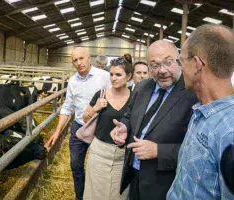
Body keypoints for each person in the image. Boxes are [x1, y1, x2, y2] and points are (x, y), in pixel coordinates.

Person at [110, 40, 198, 200]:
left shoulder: (193, 94)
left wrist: (159, 151)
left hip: (165, 184)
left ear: (179, 61)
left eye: (168, 62)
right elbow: (129, 116)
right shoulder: (142, 87)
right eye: (155, 65)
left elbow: (198, 150)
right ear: (149, 68)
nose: (162, 70)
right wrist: (124, 128)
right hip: (134, 175)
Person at [167, 24, 234, 199]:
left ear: (197, 64)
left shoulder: (229, 132)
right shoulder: (202, 112)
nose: (181, 69)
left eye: (181, 62)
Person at [47, 47, 111, 200]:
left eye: (81, 58)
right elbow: (67, 107)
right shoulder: (73, 81)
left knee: (98, 168)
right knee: (76, 165)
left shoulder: (104, 76)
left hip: (99, 128)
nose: (78, 63)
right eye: (75, 60)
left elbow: (115, 99)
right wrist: (56, 132)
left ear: (89, 58)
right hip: (78, 126)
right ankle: (80, 196)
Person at [83, 57, 132, 200]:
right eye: (111, 74)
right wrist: (96, 108)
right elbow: (85, 119)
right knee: (95, 193)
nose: (113, 78)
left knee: (119, 194)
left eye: (118, 75)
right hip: (99, 153)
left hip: (122, 156)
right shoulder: (101, 94)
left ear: (128, 76)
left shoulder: (135, 97)